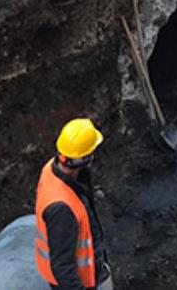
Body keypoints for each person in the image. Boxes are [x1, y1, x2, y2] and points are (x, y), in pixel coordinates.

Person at [35, 119, 111, 290]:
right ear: (83, 159)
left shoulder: (52, 168)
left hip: (90, 264)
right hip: (83, 280)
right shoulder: (61, 209)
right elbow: (63, 267)